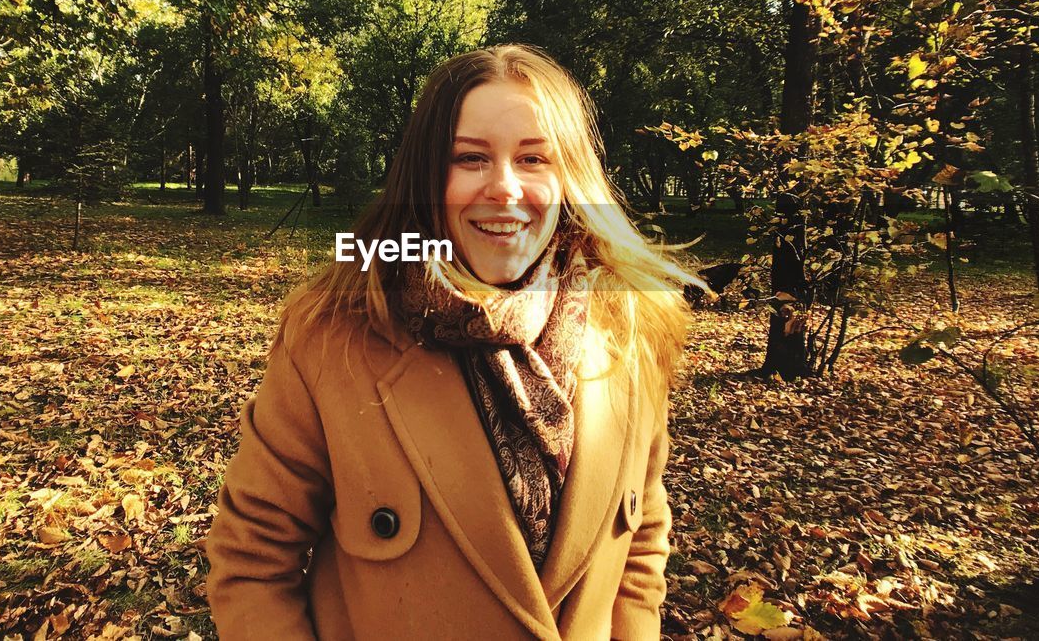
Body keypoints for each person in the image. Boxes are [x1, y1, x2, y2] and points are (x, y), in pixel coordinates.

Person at [205, 44, 701, 639]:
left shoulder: (629, 326)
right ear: (426, 175)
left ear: (569, 176)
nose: (504, 188)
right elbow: (251, 564)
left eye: (534, 158)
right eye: (470, 158)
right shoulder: (332, 337)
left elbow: (642, 535)